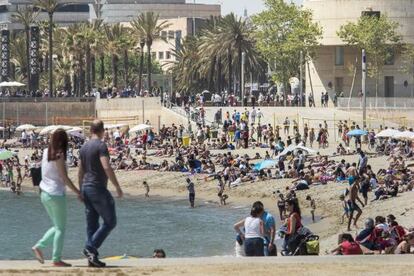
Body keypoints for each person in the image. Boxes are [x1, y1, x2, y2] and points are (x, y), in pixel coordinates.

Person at [32, 129, 82, 267]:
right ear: (63, 142)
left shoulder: (45, 152)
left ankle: (39, 247)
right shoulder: (59, 155)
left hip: (44, 193)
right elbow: (64, 178)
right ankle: (56, 258)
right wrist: (78, 192)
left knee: (57, 226)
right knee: (61, 228)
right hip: (55, 194)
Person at [78, 120, 123, 267]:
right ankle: (90, 247)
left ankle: (92, 258)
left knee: (92, 224)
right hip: (97, 188)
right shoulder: (101, 145)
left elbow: (80, 171)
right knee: (110, 221)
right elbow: (106, 166)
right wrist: (116, 186)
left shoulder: (84, 147)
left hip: (86, 187)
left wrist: (80, 189)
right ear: (102, 131)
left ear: (91, 130)